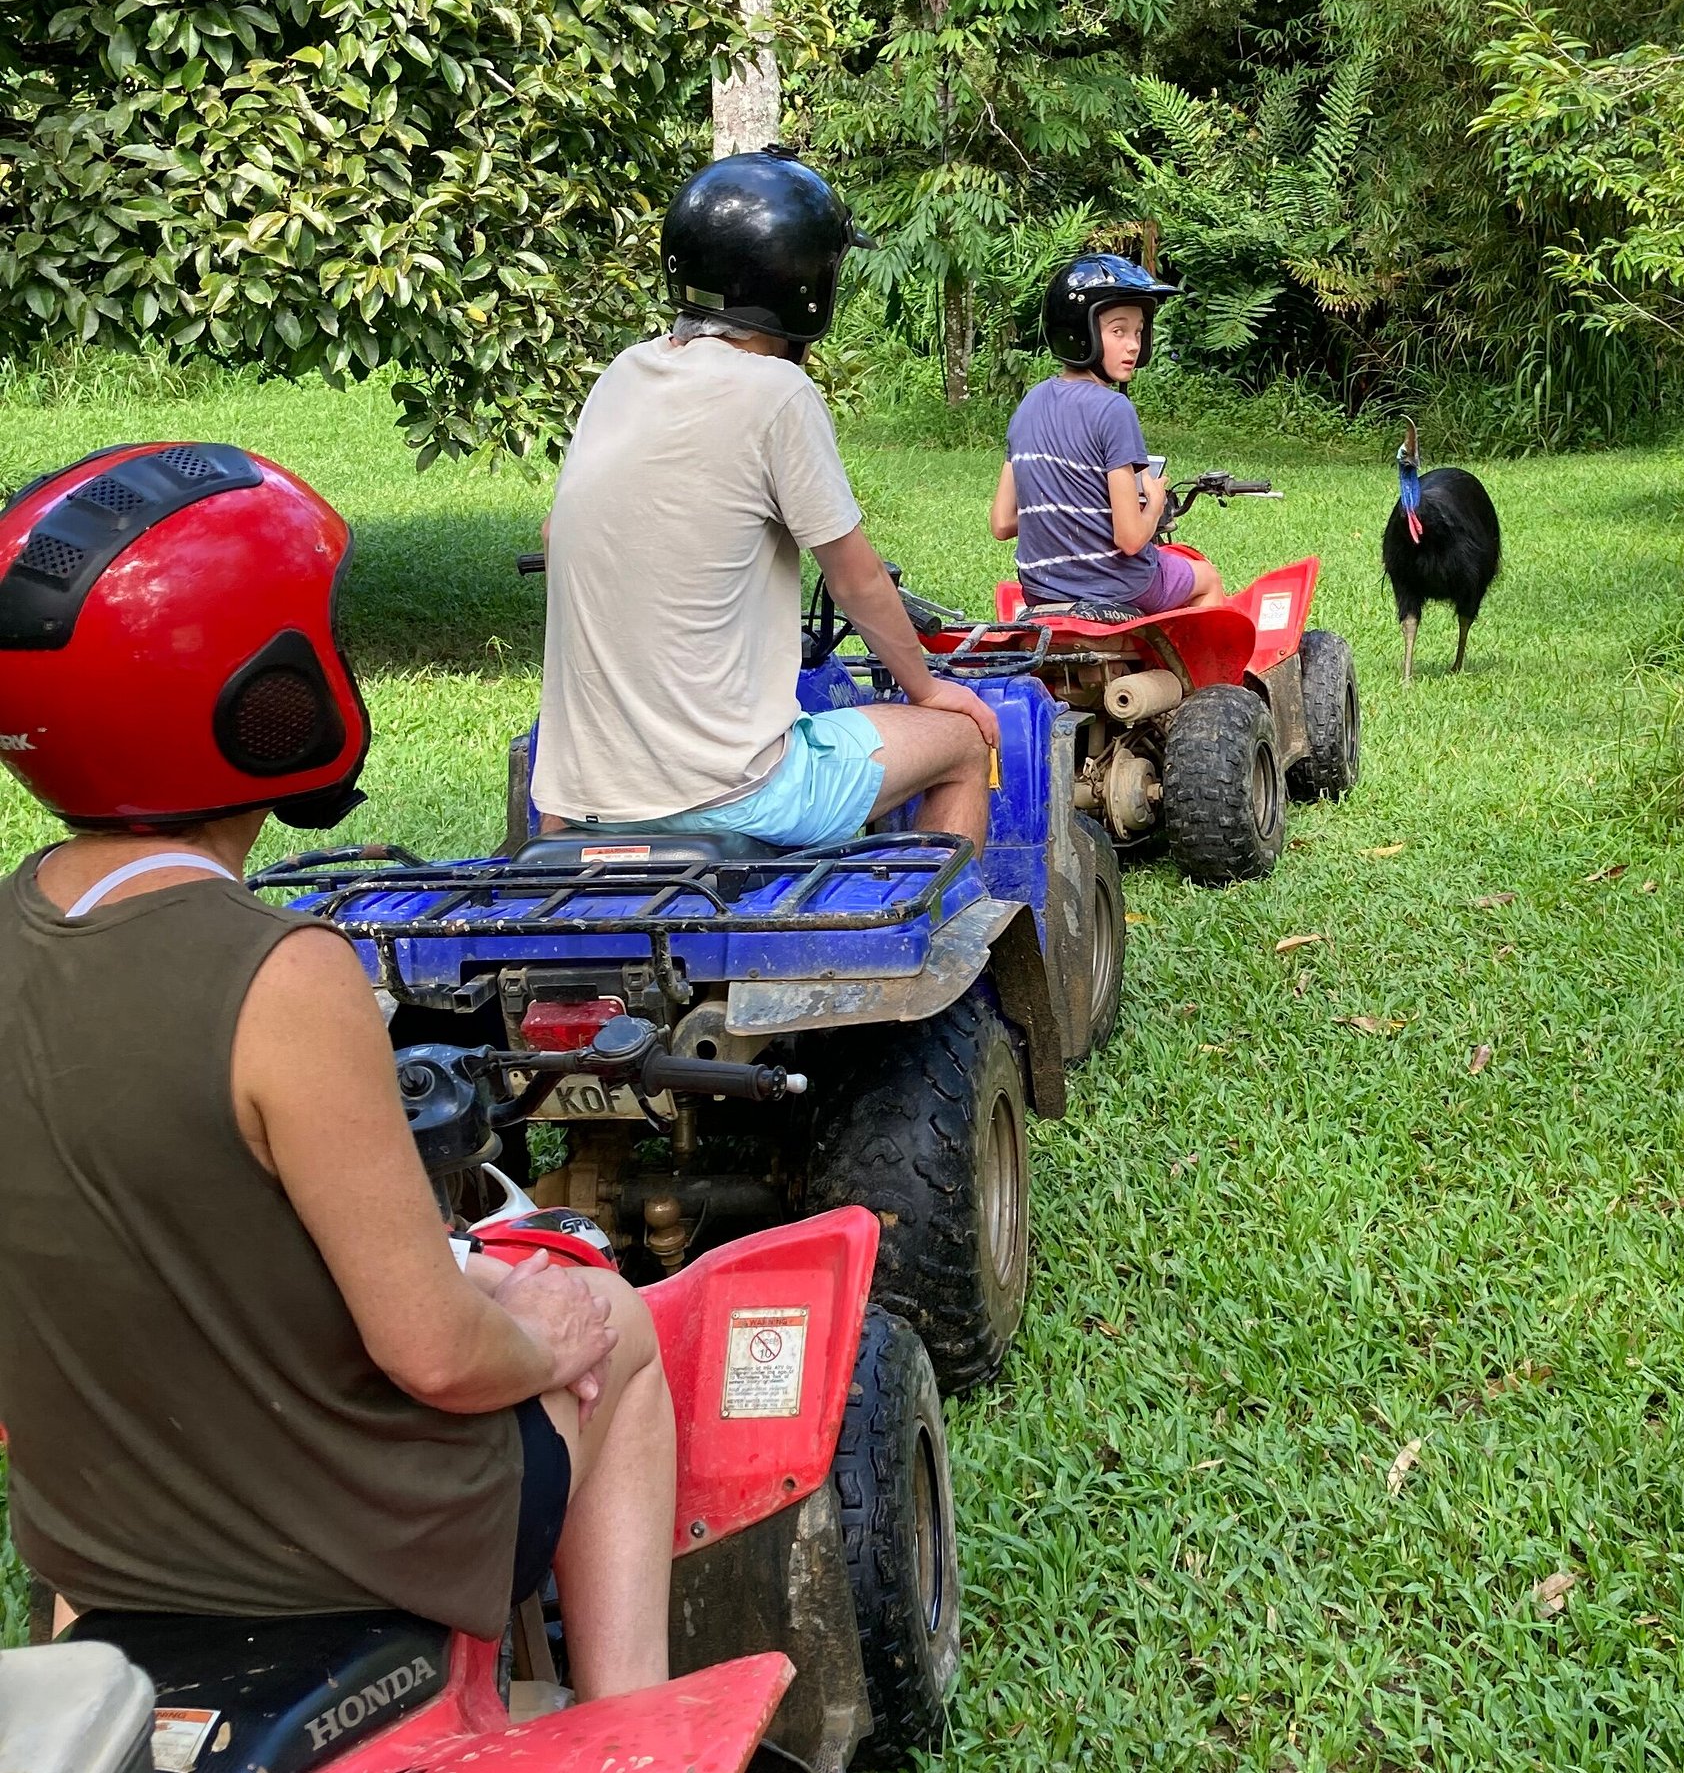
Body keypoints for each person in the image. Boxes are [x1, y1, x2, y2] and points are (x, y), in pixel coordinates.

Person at [0, 446, 671, 1694]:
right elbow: (435, 1354)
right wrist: (546, 1330)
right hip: (334, 1552)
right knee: (614, 1321)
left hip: (102, 1548)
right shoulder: (282, 977)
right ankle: (625, 1724)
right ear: (257, 689)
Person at [535, 148, 998, 853]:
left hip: (576, 802)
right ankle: (929, 948)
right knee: (962, 740)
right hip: (737, 795)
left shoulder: (622, 375)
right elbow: (855, 578)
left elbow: (554, 533)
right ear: (803, 286)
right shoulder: (778, 392)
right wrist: (930, 690)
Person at [989, 254, 1226, 616]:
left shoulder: (1029, 404)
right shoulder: (1113, 409)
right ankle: (1201, 675)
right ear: (1080, 333)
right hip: (1120, 586)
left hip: (1040, 591)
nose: (1132, 344)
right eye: (1118, 331)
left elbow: (1002, 523)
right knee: (1206, 577)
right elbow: (1130, 539)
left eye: (1138, 331)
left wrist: (1064, 507)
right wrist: (1156, 501)